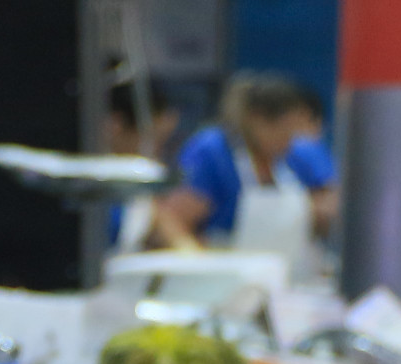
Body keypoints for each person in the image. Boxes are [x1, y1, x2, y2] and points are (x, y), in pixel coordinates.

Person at [149, 70, 337, 266]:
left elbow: (331, 204)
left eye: (292, 131)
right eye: (282, 128)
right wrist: (191, 256)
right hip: (223, 271)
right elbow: (171, 219)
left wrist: (315, 210)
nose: (288, 139)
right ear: (256, 120)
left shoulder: (299, 152)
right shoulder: (214, 152)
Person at [103, 78, 183, 255]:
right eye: (154, 139)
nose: (157, 152)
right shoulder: (97, 193)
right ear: (116, 126)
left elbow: (179, 242)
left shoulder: (138, 191)